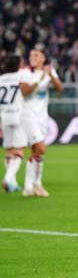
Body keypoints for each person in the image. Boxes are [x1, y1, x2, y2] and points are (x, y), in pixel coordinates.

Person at [19, 45, 63, 197]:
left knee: (38, 152)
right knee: (40, 149)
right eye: (31, 55)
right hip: (27, 117)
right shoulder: (24, 72)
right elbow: (24, 92)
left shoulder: (48, 71)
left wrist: (51, 75)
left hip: (42, 118)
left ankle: (31, 185)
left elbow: (59, 89)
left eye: (36, 55)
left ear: (43, 58)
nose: (33, 58)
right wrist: (40, 78)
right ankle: (33, 184)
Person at [0, 55, 27, 193]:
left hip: (4, 115)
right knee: (20, 149)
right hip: (18, 115)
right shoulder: (20, 75)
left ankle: (13, 183)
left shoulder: (1, 78)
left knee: (9, 150)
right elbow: (27, 91)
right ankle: (8, 177)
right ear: (18, 64)